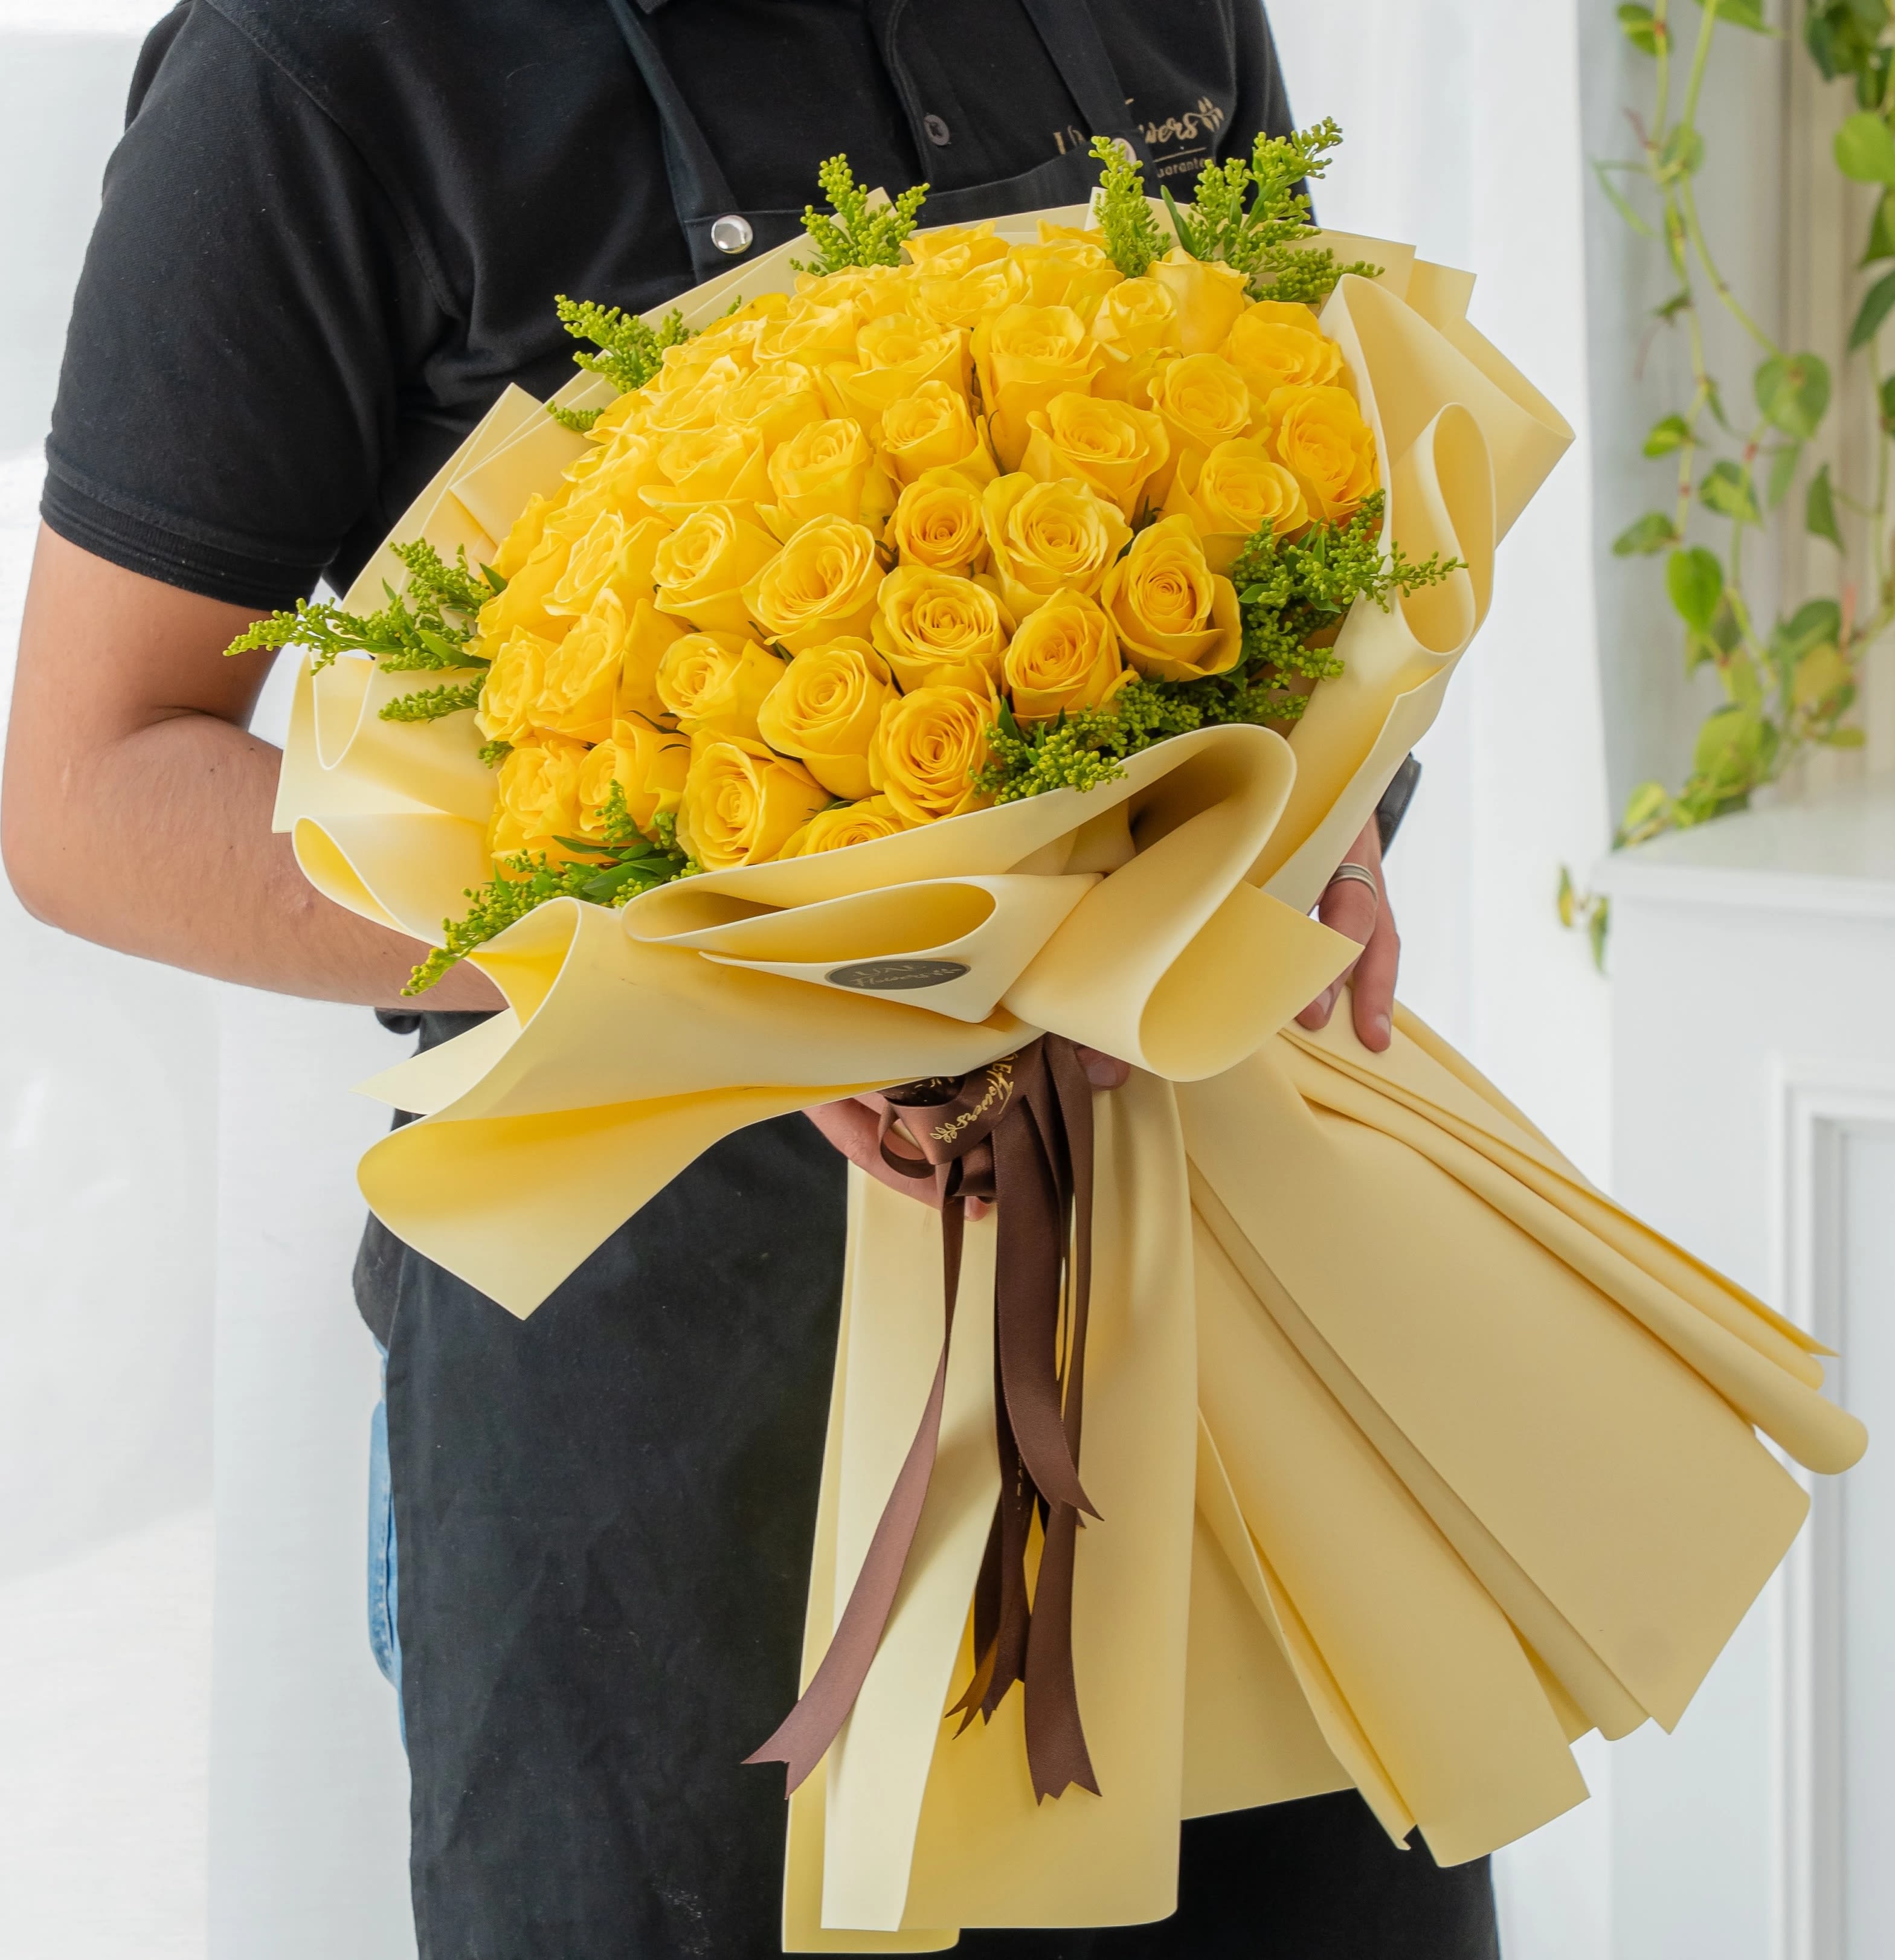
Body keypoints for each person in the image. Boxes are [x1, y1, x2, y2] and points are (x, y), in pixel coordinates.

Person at [0, 3, 1475, 1955]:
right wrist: (730, 975)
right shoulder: (319, 65)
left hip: (1208, 1311)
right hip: (660, 1425)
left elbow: (1311, 526)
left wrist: (1316, 822)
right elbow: (89, 788)